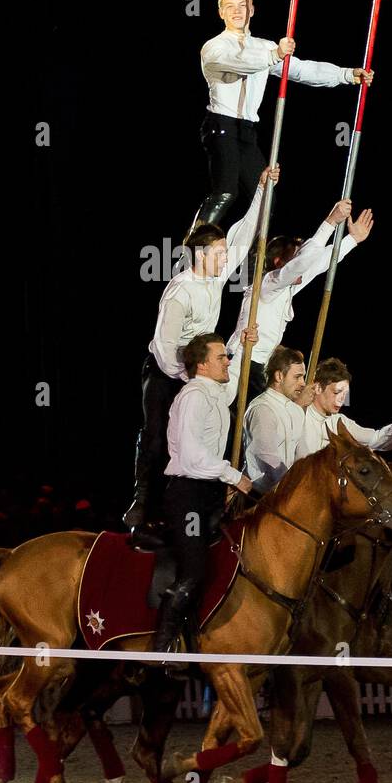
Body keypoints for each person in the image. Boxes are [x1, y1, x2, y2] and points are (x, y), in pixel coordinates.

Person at [123, 166, 278, 530]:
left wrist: (262, 190)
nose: (227, 257)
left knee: (208, 433)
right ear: (202, 255)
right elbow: (164, 347)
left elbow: (243, 235)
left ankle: (204, 505)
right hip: (166, 371)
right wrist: (188, 377)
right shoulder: (180, 290)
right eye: (220, 252)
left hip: (197, 371)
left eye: (225, 252)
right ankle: (142, 502)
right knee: (160, 435)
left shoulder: (216, 276)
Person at [191, 0, 373, 229]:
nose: (237, 11)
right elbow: (239, 62)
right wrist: (273, 56)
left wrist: (347, 75)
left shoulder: (264, 47)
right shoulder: (214, 47)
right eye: (229, 7)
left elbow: (301, 69)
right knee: (225, 192)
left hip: (247, 132)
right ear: (221, 12)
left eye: (242, 5)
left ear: (252, 9)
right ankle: (193, 249)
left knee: (266, 199)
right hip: (221, 125)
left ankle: (252, 257)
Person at [153, 333, 253, 672]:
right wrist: (231, 475)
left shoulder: (213, 392)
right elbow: (194, 458)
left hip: (208, 492)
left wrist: (243, 345)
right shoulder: (194, 396)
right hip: (188, 494)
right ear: (202, 364)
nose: (227, 361)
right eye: (222, 357)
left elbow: (232, 385)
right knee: (195, 569)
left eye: (227, 356)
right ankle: (163, 648)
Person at [227, 200, 374, 401]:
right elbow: (302, 264)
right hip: (242, 362)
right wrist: (330, 221)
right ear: (279, 262)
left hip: (259, 366)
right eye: (296, 257)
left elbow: (317, 263)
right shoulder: (268, 283)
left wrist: (352, 240)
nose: (302, 265)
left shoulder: (287, 287)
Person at [296, 357, 392, 459]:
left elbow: (375, 439)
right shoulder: (298, 414)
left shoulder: (340, 421)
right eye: (337, 392)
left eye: (345, 395)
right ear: (318, 388)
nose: (342, 399)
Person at [243, 346, 313, 493]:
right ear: (279, 376)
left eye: (303, 376)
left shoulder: (296, 411)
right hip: (259, 495)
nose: (303, 383)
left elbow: (303, 455)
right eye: (297, 377)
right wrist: (291, 488)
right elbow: (267, 458)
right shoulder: (263, 408)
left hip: (285, 494)